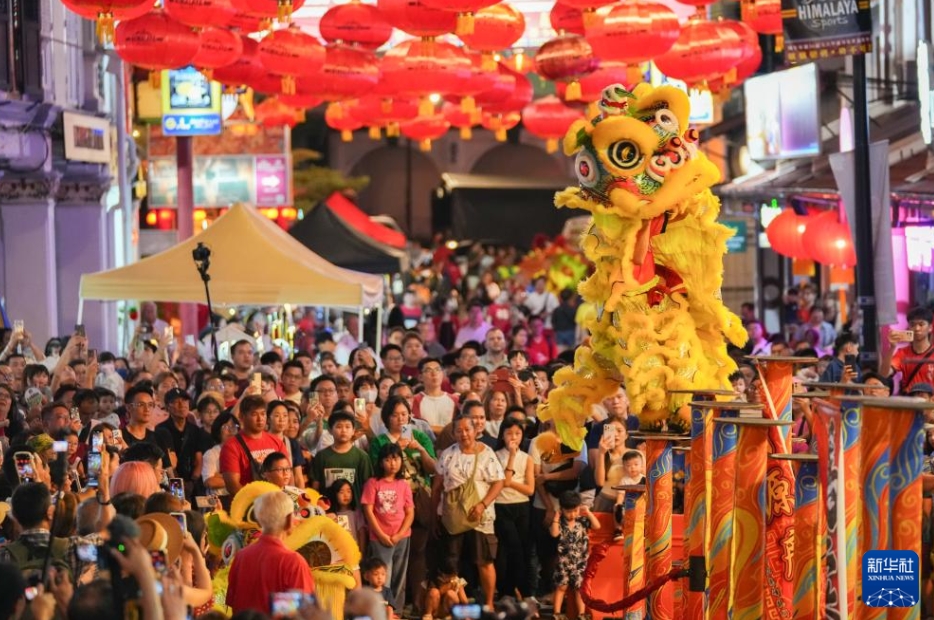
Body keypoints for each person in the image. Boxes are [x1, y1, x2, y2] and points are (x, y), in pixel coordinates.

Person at [433, 415, 505, 608]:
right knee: (451, 563)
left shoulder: (486, 453)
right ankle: (456, 604)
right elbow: (437, 486)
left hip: (480, 516)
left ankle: (489, 603)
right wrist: (434, 514)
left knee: (484, 561)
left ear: (475, 430)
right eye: (459, 430)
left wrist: (483, 504)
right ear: (453, 433)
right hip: (452, 516)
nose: (464, 434)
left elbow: (499, 482)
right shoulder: (447, 454)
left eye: (467, 429)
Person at [226, 490, 315, 614]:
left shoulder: (241, 556)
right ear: (289, 519)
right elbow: (303, 612)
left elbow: (233, 601)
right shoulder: (293, 562)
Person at [362, 443, 415, 609]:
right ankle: (380, 610)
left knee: (400, 574)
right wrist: (381, 535)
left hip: (402, 536)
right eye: (387, 459)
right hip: (380, 537)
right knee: (382, 576)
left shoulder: (403, 484)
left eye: (396, 458)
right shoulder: (373, 483)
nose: (392, 463)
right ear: (380, 462)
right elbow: (368, 511)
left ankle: (396, 610)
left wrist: (399, 534)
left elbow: (410, 512)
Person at [493, 417, 535, 600]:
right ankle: (506, 591)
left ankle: (523, 590)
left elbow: (530, 489)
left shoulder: (527, 458)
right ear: (502, 435)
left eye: (518, 433)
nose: (513, 437)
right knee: (507, 549)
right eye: (509, 433)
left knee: (522, 549)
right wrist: (510, 456)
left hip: (522, 506)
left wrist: (510, 483)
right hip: (502, 506)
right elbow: (500, 483)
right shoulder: (495, 456)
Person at [220, 395, 286, 495]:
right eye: (254, 414)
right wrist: (255, 503)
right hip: (249, 504)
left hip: (276, 500)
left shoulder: (277, 442)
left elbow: (287, 474)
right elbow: (232, 485)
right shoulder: (231, 446)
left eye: (263, 414)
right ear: (242, 417)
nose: (260, 419)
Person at [549, 491, 601, 620]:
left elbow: (597, 526)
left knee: (579, 588)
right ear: (562, 510)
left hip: (581, 561)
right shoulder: (560, 522)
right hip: (564, 561)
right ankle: (556, 613)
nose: (572, 514)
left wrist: (588, 512)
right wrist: (555, 518)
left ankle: (581, 614)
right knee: (562, 586)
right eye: (568, 511)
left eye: (575, 510)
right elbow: (554, 534)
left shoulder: (582, 521)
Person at [312, 409, 373, 502]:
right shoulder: (321, 456)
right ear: (330, 430)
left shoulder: (362, 457)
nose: (343, 430)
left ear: (353, 431)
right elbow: (315, 485)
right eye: (339, 426)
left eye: (347, 427)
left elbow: (368, 487)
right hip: (328, 511)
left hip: (355, 511)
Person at [881, 306, 934, 394]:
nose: (917, 328)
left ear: (930, 328)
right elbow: (884, 374)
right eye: (912, 324)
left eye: (921, 324)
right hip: (909, 403)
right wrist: (892, 347)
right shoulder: (902, 353)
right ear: (909, 327)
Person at [412, 358, 458, 435]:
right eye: (428, 370)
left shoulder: (455, 399)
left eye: (437, 369)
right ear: (420, 377)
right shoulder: (415, 400)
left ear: (443, 374)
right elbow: (415, 428)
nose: (434, 373)